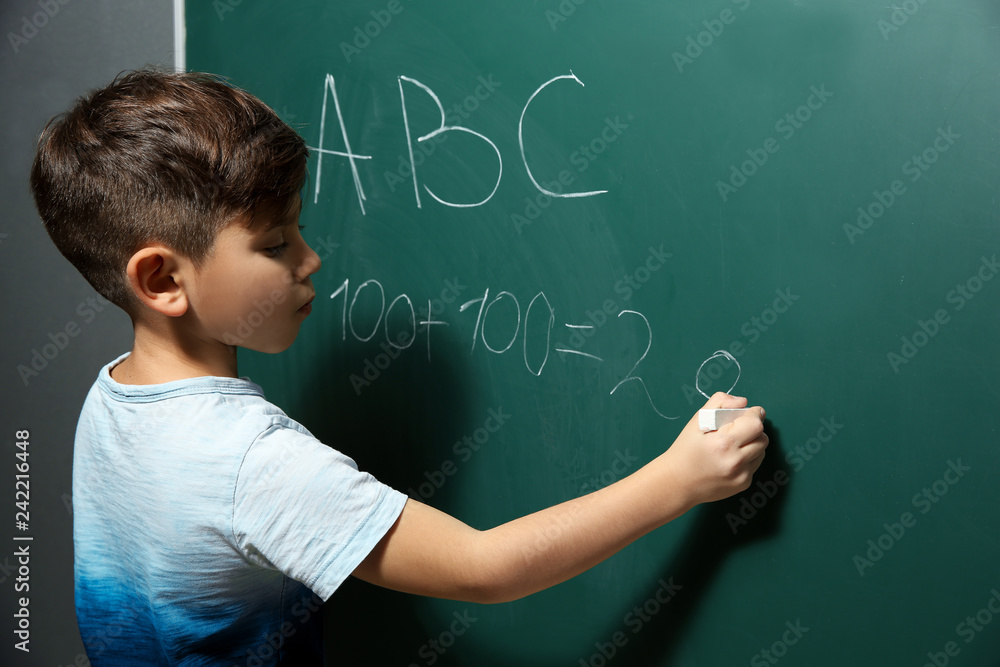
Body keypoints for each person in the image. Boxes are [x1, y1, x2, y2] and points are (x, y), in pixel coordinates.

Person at [31, 67, 768, 665]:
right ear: (162, 279)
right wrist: (679, 480)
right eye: (276, 243)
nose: (312, 258)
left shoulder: (110, 400)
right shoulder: (252, 463)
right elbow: (484, 567)